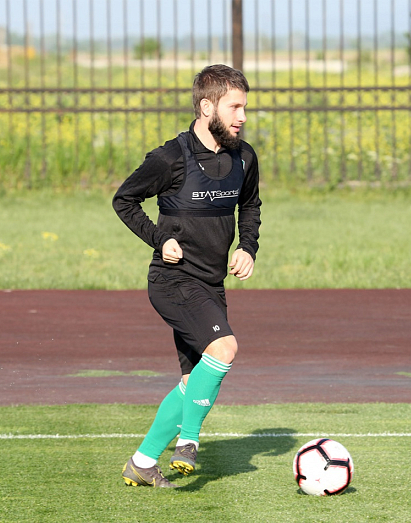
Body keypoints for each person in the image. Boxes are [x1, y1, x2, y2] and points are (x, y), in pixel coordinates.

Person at [113, 64, 261, 488]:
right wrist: (159, 239)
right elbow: (124, 200)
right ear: (207, 106)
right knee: (225, 348)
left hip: (211, 284)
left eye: (244, 108)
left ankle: (142, 463)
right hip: (173, 281)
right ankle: (189, 441)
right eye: (234, 107)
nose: (242, 117)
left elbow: (250, 205)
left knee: (193, 382)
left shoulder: (244, 157)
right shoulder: (170, 158)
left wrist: (247, 246)